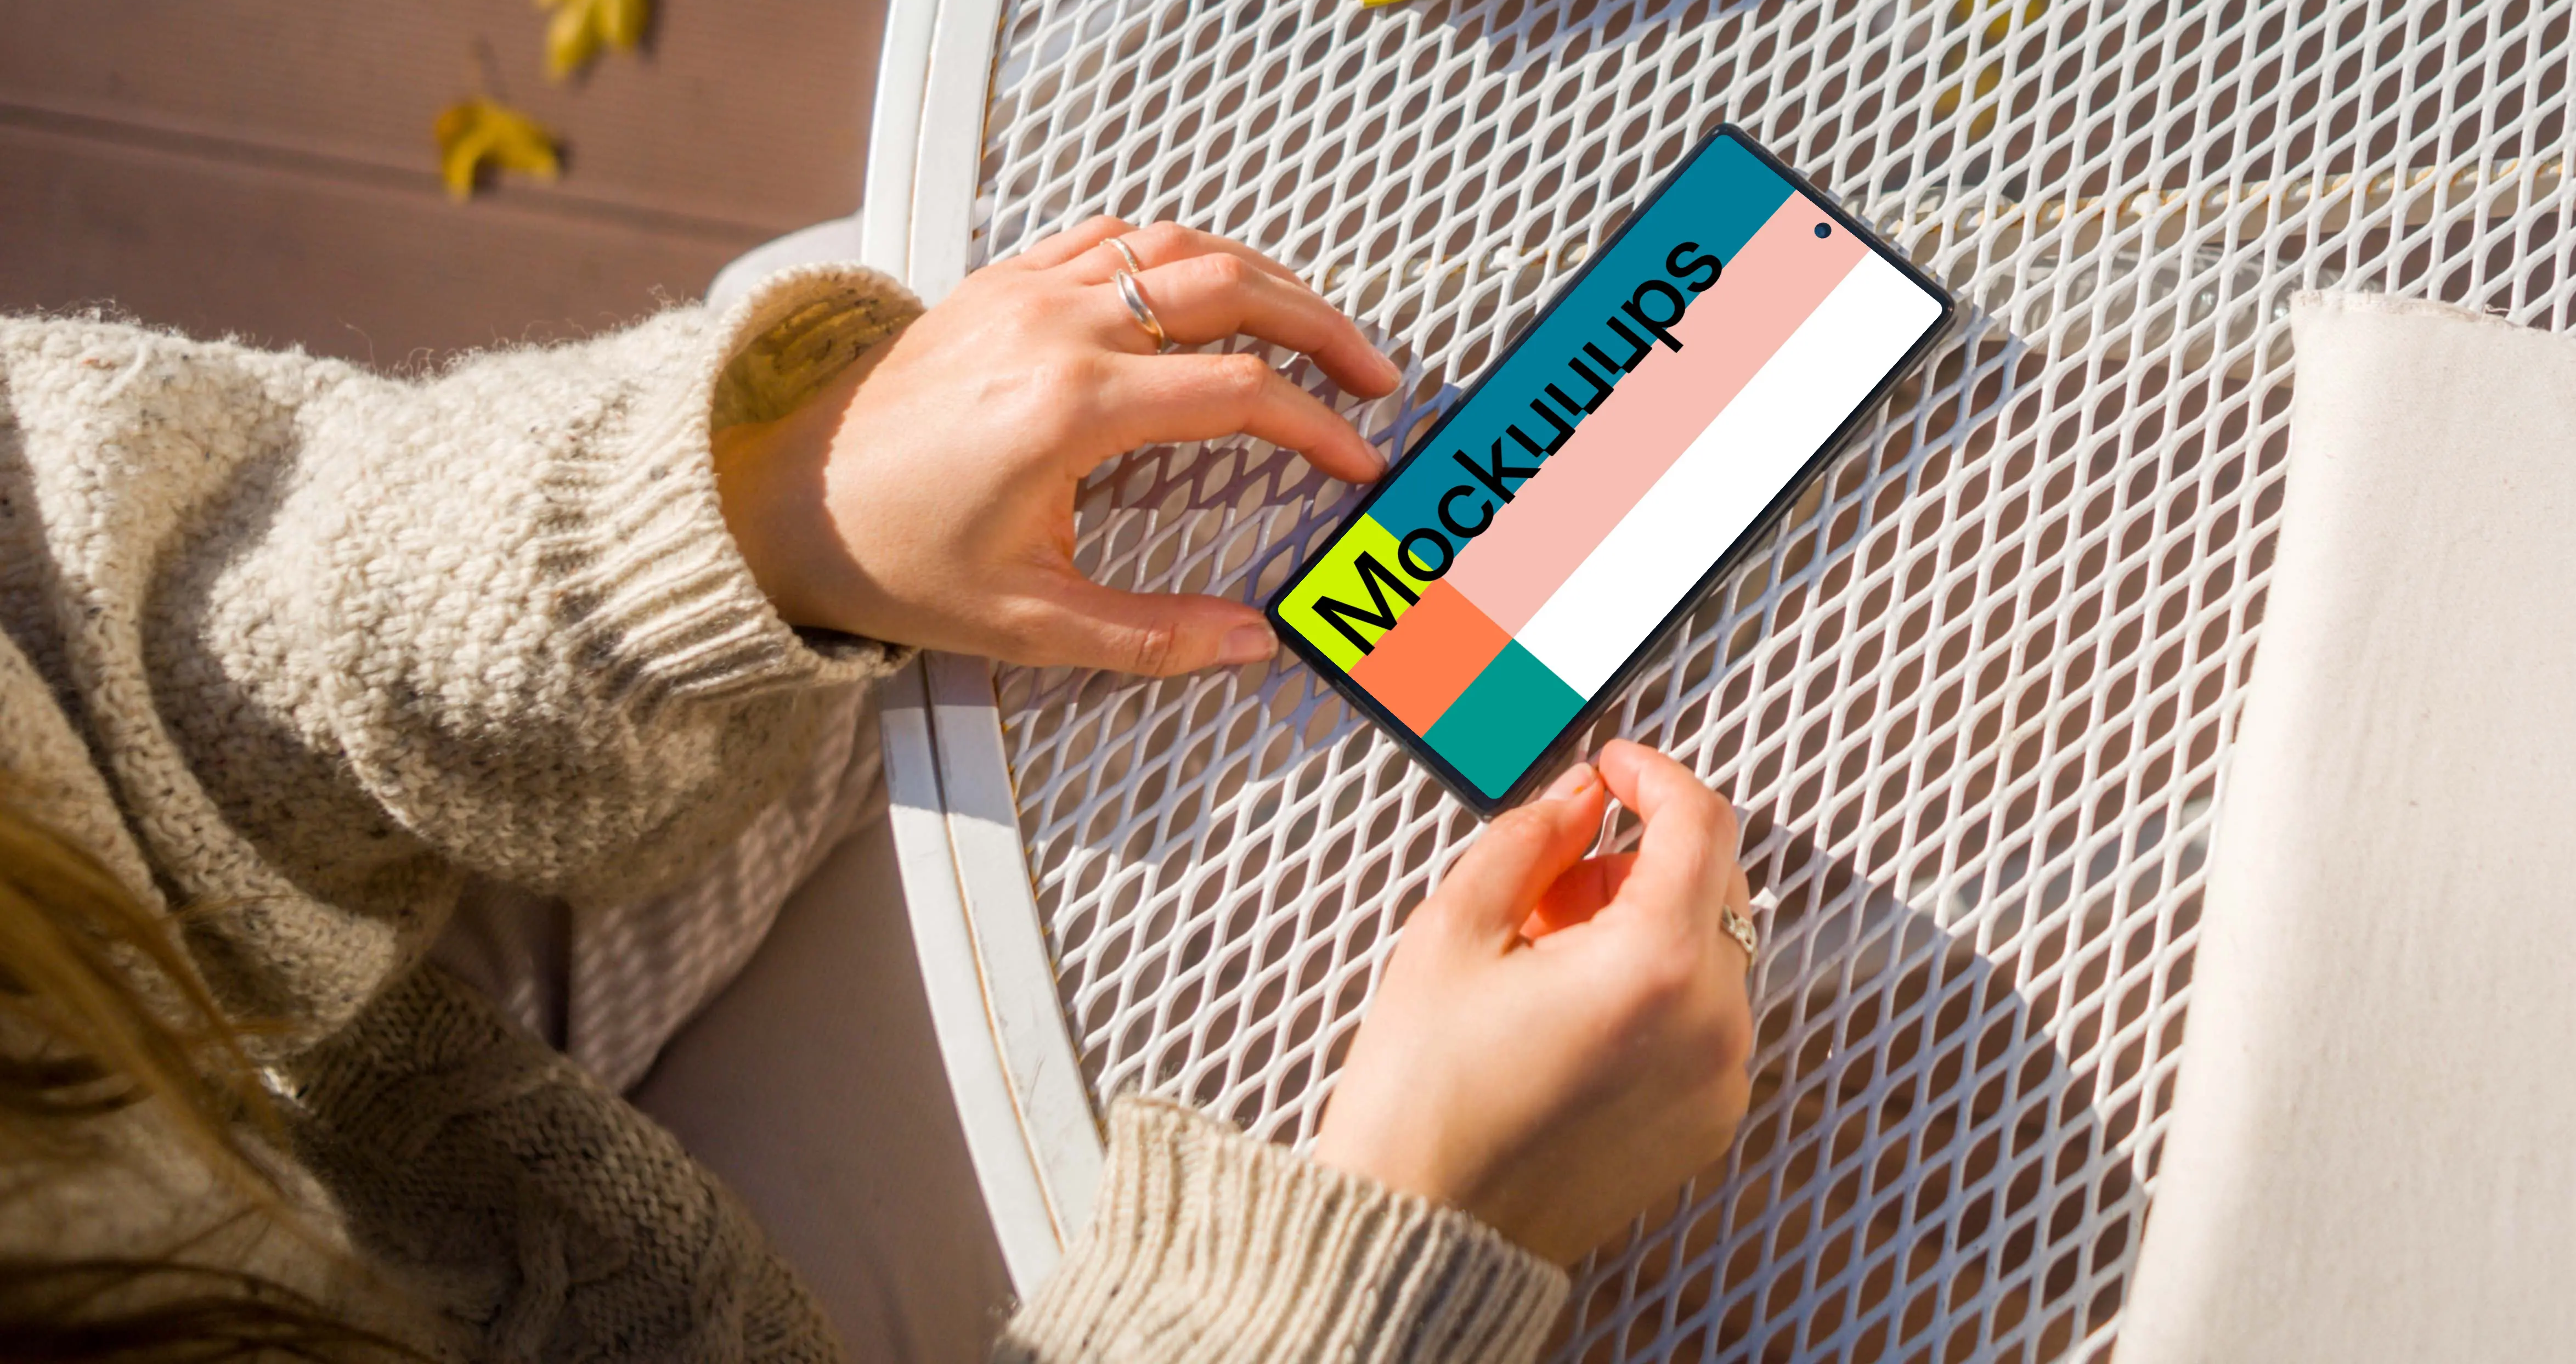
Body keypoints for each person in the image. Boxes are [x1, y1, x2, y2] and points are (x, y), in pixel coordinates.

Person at [0, 218, 1759, 1360]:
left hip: (344, 1008)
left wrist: (752, 518)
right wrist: (1398, 1250)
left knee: (1000, 345)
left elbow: (101, 612)